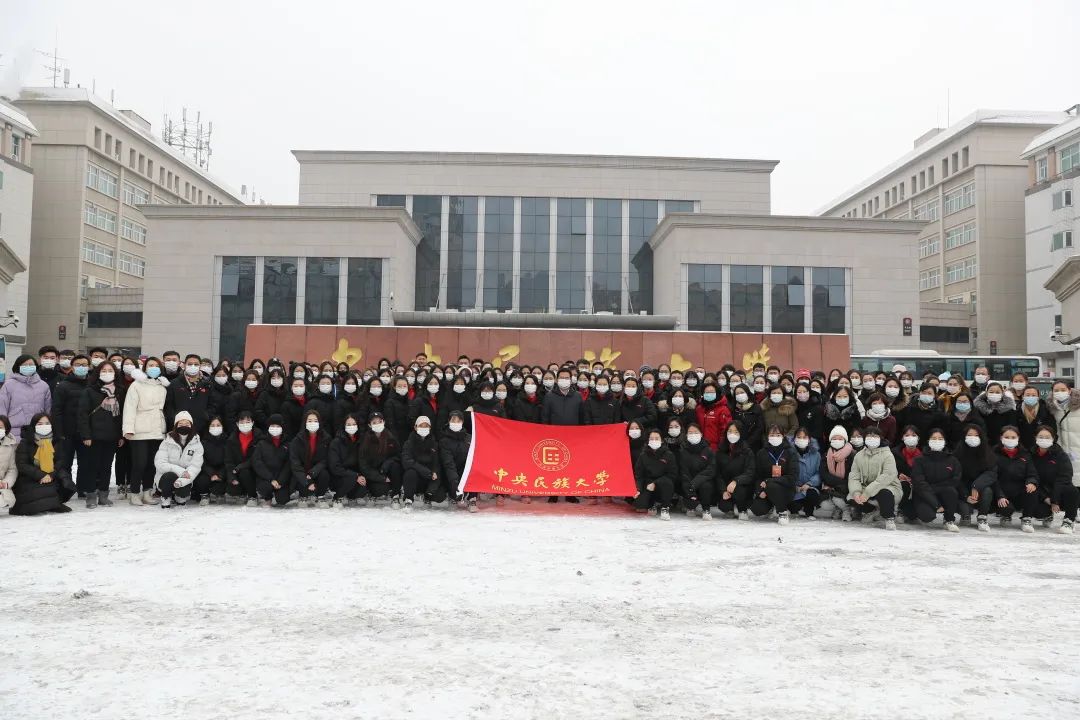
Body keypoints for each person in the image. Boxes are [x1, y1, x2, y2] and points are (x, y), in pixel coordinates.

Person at [76, 362, 125, 508]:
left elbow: (122, 416)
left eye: (110, 370)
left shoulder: (120, 391)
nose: (107, 373)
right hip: (94, 436)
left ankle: (104, 495)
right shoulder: (89, 391)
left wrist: (121, 435)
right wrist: (86, 436)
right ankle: (91, 495)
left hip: (112, 435)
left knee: (106, 466)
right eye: (104, 370)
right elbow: (82, 415)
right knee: (92, 466)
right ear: (98, 372)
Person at [123, 359, 169, 506]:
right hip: (140, 430)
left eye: (156, 366)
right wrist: (128, 429)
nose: (153, 368)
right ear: (144, 368)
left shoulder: (162, 386)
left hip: (158, 429)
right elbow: (129, 408)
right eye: (150, 365)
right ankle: (135, 493)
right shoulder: (136, 385)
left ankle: (147, 492)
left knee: (152, 463)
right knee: (139, 463)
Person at [11, 413, 75, 515]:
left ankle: (53, 502)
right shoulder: (26, 442)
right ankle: (48, 504)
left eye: (47, 423)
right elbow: (22, 464)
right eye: (40, 424)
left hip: (51, 473)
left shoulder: (56, 440)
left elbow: (59, 461)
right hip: (31, 475)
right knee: (36, 492)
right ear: (34, 426)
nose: (44, 426)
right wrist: (41, 475)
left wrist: (51, 474)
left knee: (65, 480)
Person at [846, 426, 901, 530]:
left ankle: (889, 517)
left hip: (888, 487)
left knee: (884, 493)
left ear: (880, 438)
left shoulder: (887, 454)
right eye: (869, 436)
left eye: (875, 436)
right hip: (866, 487)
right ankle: (872, 511)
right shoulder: (859, 456)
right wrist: (856, 492)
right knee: (851, 497)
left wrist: (868, 492)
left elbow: (888, 475)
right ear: (864, 438)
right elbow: (854, 477)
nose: (872, 438)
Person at [909, 428, 964, 532]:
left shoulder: (952, 460)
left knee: (951, 491)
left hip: (944, 493)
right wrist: (936, 504)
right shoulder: (919, 460)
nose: (937, 441)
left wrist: (936, 488)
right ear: (928, 441)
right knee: (927, 516)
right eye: (934, 438)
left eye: (940, 438)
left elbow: (955, 479)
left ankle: (949, 520)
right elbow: (919, 483)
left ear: (945, 441)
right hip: (924, 494)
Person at [51, 354, 91, 494]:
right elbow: (56, 410)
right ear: (72, 367)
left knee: (85, 462)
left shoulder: (92, 385)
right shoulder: (63, 386)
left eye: (84, 365)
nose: (81, 367)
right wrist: (59, 432)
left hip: (85, 432)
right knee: (65, 462)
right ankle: (65, 489)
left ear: (89, 367)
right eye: (78, 365)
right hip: (66, 432)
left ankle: (83, 489)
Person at [992, 426, 1041, 533]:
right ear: (1001, 438)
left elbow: (1032, 474)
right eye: (1007, 437)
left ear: (1018, 438)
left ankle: (1026, 519)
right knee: (1006, 509)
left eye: (1013, 437)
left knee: (1033, 490)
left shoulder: (1025, 454)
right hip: (1001, 493)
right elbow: (992, 477)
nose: (1010, 440)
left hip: (1019, 492)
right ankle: (1005, 515)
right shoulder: (993, 454)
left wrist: (1031, 482)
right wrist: (1000, 495)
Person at [1030, 425, 1078, 534]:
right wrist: (1045, 497)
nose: (1044, 439)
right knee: (1038, 511)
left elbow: (1064, 478)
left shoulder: (1061, 455)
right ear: (1035, 437)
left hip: (1059, 491)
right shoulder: (1031, 455)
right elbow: (1032, 478)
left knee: (1072, 491)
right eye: (1041, 437)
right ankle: (1047, 515)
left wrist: (1054, 500)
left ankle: (1069, 520)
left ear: (1053, 438)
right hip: (1043, 493)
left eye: (1047, 437)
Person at [154, 411, 206, 509]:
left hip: (186, 477)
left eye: (187, 424)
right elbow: (160, 463)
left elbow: (195, 466)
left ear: (191, 426)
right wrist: (181, 471)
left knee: (183, 489)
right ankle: (166, 496)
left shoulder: (197, 444)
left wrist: (182, 481)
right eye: (180, 424)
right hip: (166, 477)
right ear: (176, 426)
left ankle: (180, 496)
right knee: (169, 475)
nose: (184, 426)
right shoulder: (166, 442)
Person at [749, 424, 798, 524]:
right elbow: (757, 476)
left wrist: (769, 481)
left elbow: (792, 477)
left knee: (772, 485)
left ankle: (782, 511)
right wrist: (759, 491)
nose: (775, 437)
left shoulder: (790, 452)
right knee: (757, 509)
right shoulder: (761, 453)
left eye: (778, 435)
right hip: (767, 489)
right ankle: (773, 505)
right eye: (772, 435)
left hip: (786, 489)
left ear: (783, 436)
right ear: (767, 436)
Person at [0, 355, 53, 440]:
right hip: (13, 432)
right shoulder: (9, 385)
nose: (28, 367)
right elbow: (2, 408)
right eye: (25, 365)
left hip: (38, 431)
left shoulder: (44, 386)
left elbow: (48, 410)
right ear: (18, 367)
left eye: (31, 364)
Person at [289, 409, 333, 507]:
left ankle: (320, 496)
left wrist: (312, 473)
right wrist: (307, 481)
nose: (312, 423)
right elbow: (295, 463)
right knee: (299, 478)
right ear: (305, 422)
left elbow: (325, 460)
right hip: (302, 473)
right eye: (309, 421)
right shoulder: (297, 440)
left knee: (324, 474)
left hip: (316, 472)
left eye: (315, 421)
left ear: (319, 422)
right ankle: (303, 496)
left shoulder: (326, 438)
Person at [633, 429, 676, 520]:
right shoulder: (643, 455)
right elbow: (639, 475)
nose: (654, 440)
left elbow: (672, 475)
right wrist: (638, 488)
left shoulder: (669, 454)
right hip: (648, 484)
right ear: (648, 440)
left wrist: (656, 483)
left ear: (662, 440)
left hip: (664, 483)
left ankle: (665, 507)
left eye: (657, 438)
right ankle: (652, 504)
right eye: (651, 439)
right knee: (640, 504)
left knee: (667, 483)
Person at [401, 415, 442, 511]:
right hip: (416, 476)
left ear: (430, 428)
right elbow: (407, 461)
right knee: (410, 473)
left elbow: (436, 462)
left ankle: (427, 496)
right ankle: (408, 499)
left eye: (426, 426)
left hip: (429, 477)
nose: (424, 428)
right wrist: (426, 472)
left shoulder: (434, 443)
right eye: (421, 426)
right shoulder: (409, 443)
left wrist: (434, 473)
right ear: (415, 427)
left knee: (440, 496)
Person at [165, 354, 212, 432]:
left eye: (196, 364)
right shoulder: (174, 383)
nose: (193, 366)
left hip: (201, 427)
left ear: (200, 366)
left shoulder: (207, 384)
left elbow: (212, 404)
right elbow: (169, 406)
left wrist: (206, 416)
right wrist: (175, 420)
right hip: (179, 427)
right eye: (190, 364)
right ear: (184, 365)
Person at [1047, 381, 1080, 491]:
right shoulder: (1053, 408)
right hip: (1065, 450)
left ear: (1069, 391)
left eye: (1063, 390)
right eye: (1056, 390)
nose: (1059, 392)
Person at [252, 414, 291, 508]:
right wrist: (271, 479)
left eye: (278, 426)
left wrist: (280, 481)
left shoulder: (287, 444)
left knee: (282, 500)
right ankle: (267, 497)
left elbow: (288, 464)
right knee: (265, 487)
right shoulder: (261, 443)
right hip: (266, 478)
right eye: (272, 426)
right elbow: (257, 462)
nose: (275, 428)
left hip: (281, 478)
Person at [679, 422, 716, 520]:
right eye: (690, 433)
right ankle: (691, 506)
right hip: (689, 482)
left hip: (703, 481)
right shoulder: (683, 451)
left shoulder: (708, 450)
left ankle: (706, 508)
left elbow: (711, 469)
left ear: (701, 434)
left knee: (706, 486)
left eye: (695, 432)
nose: (693, 435)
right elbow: (684, 471)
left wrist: (695, 482)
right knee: (689, 500)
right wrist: (689, 487)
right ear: (686, 435)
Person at [440, 410, 474, 510]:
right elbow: (449, 464)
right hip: (451, 474)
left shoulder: (470, 438)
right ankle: (453, 495)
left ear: (462, 422)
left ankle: (472, 498)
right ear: (449, 421)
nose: (455, 423)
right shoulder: (444, 441)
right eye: (453, 420)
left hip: (466, 471)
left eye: (458, 421)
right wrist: (456, 486)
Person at [822, 425, 854, 521]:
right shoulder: (826, 455)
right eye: (834, 438)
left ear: (845, 440)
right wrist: (837, 484)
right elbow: (824, 474)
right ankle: (839, 508)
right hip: (832, 487)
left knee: (838, 498)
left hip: (847, 488)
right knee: (825, 504)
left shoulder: (852, 455)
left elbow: (852, 475)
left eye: (840, 439)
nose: (837, 441)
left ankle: (846, 509)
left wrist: (840, 484)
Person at [790, 427, 822, 519]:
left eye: (804, 437)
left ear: (809, 439)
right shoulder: (789, 453)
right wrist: (794, 486)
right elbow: (786, 472)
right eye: (799, 437)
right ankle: (797, 508)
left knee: (812, 496)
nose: (802, 439)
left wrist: (809, 483)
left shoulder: (816, 454)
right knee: (793, 506)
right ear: (794, 438)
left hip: (810, 486)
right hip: (793, 487)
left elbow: (819, 472)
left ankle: (809, 511)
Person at [1015, 386, 1055, 451]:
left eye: (1034, 395)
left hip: (1041, 447)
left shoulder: (1046, 410)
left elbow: (1052, 429)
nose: (1030, 397)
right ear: (1022, 396)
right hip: (1021, 448)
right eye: (1028, 395)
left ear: (1038, 397)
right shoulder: (1017, 411)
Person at [695, 382, 732, 450]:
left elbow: (725, 430)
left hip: (715, 447)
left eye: (712, 392)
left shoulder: (723, 409)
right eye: (706, 392)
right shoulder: (699, 409)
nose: (709, 394)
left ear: (717, 393)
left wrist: (721, 448)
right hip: (700, 446)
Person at [201, 416, 228, 505]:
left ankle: (220, 494)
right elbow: (202, 461)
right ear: (208, 427)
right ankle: (205, 494)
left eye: (218, 425)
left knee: (223, 483)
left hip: (222, 471)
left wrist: (220, 475)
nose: (215, 427)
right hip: (208, 471)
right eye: (212, 425)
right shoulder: (203, 442)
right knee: (201, 480)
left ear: (222, 426)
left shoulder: (228, 441)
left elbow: (228, 460)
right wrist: (212, 473)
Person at [730, 383, 765, 451]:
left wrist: (748, 442)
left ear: (747, 393)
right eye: (737, 393)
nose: (740, 395)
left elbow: (759, 427)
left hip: (754, 445)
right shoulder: (734, 408)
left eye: (742, 392)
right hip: (737, 443)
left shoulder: (756, 407)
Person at [0, 417, 18, 511]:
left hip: (2, 484)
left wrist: (6, 483)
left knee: (10, 501)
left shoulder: (11, 446)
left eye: (0, 427)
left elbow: (12, 469)